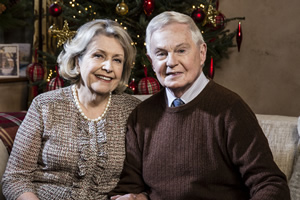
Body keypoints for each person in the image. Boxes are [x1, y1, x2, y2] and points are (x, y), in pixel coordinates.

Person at [109, 11, 291, 200]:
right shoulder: (142, 115)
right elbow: (128, 185)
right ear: (151, 62)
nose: (171, 62)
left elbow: (270, 183)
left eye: (181, 50)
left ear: (202, 53)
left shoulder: (230, 109)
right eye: (161, 53)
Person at [1, 19, 141, 200]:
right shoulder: (45, 105)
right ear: (77, 61)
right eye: (98, 55)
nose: (108, 67)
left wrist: (140, 196)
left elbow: (149, 177)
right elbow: (15, 177)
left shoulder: (133, 110)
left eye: (117, 60)